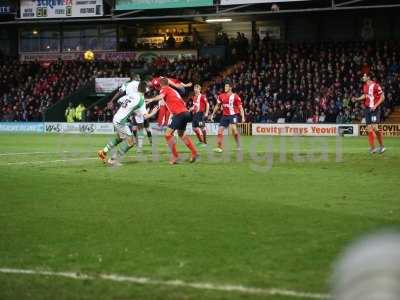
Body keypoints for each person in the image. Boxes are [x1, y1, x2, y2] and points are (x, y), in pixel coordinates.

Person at [97, 77, 157, 166]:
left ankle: (103, 151)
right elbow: (146, 116)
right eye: (147, 88)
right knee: (131, 142)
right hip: (120, 122)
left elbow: (120, 100)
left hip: (116, 117)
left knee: (120, 138)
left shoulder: (132, 95)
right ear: (145, 90)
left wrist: (130, 109)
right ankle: (113, 160)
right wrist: (154, 111)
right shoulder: (141, 100)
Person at [146, 78, 198, 165]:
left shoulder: (165, 89)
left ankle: (175, 156)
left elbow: (161, 96)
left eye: (158, 86)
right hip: (186, 113)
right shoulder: (173, 90)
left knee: (167, 134)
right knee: (181, 134)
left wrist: (151, 99)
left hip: (179, 114)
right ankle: (194, 152)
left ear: (161, 85)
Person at [353, 74, 385, 154]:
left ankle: (382, 146)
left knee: (375, 128)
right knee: (368, 129)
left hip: (375, 109)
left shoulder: (376, 85)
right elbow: (365, 95)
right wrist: (357, 99)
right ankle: (373, 148)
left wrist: (375, 105)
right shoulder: (365, 86)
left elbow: (383, 97)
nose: (362, 78)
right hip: (367, 109)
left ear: (368, 77)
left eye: (364, 76)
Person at [210, 82, 245, 153]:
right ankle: (219, 147)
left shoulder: (236, 96)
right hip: (225, 116)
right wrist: (212, 114)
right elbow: (217, 105)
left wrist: (243, 117)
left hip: (233, 115)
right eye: (225, 86)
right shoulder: (221, 96)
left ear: (230, 88)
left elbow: (240, 108)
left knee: (234, 131)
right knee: (220, 131)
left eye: (226, 87)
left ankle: (238, 145)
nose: (225, 88)